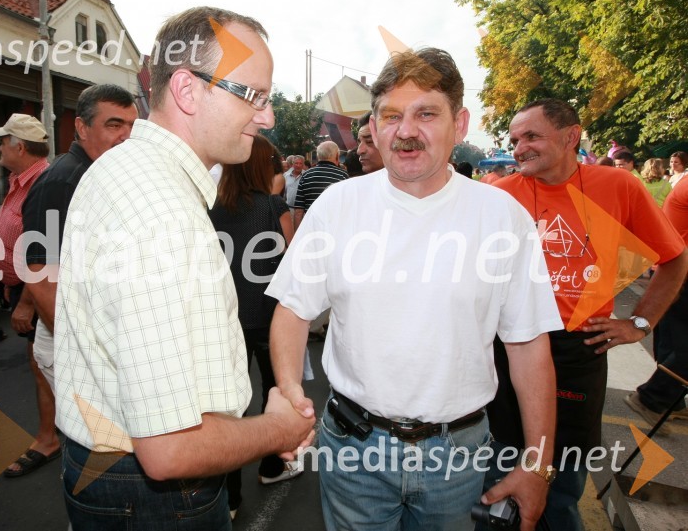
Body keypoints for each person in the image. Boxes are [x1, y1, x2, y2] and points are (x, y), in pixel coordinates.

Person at [268, 47, 562, 531]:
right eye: (391, 116)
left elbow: (529, 346)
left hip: (458, 455)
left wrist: (537, 465)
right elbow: (294, 309)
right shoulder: (338, 205)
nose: (406, 131)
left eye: (426, 113)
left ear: (460, 123)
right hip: (351, 448)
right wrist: (288, 390)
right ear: (376, 125)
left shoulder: (502, 217)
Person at [53, 7, 315, 530]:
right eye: (253, 96)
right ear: (187, 90)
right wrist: (277, 430)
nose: (267, 118)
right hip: (154, 497)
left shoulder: (124, 168)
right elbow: (169, 451)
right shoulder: (159, 209)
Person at [489, 98, 688, 531]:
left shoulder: (620, 187)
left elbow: (674, 259)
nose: (519, 148)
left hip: (578, 350)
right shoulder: (499, 195)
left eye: (532, 136)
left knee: (561, 487)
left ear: (570, 137)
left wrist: (640, 322)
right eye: (515, 138)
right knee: (499, 471)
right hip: (510, 346)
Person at [19, 84, 137, 477]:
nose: (125, 135)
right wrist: (79, 348)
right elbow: (39, 275)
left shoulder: (100, 172)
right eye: (114, 124)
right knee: (100, 452)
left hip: (95, 332)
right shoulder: (63, 181)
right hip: (74, 337)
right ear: (82, 128)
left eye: (131, 125)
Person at [209, 134, 297, 519]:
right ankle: (271, 464)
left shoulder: (212, 208)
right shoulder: (273, 206)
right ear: (265, 167)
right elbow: (291, 262)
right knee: (274, 391)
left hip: (225, 317)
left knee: (228, 403)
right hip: (266, 315)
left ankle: (228, 496)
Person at [0, 113, 53, 477]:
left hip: (35, 293)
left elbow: (45, 252)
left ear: (20, 146)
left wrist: (27, 301)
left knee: (43, 364)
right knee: (42, 363)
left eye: (3, 141)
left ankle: (49, 438)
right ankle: (57, 430)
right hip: (19, 289)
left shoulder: (41, 183)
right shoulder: (18, 181)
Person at [626, 175, 688, 432]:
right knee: (680, 343)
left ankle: (670, 399)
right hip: (679, 270)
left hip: (676, 268)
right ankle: (653, 398)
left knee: (674, 340)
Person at [293, 140, 348, 230]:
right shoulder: (343, 175)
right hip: (334, 229)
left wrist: (298, 237)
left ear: (318, 156)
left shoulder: (306, 175)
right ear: (337, 156)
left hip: (311, 228)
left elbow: (298, 211)